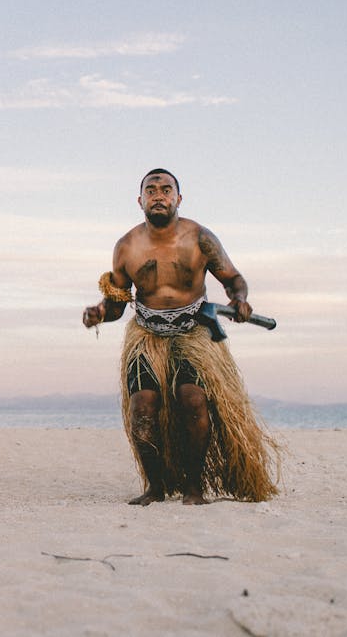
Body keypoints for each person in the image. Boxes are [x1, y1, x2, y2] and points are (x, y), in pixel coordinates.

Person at [83, 168, 279, 505]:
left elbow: (232, 278)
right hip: (147, 333)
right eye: (151, 190)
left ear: (178, 198)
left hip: (194, 331)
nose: (158, 195)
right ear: (140, 199)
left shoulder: (200, 237)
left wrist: (241, 299)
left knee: (192, 399)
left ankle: (193, 487)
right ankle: (155, 487)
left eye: (166, 189)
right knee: (142, 406)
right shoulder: (126, 246)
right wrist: (100, 313)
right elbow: (117, 304)